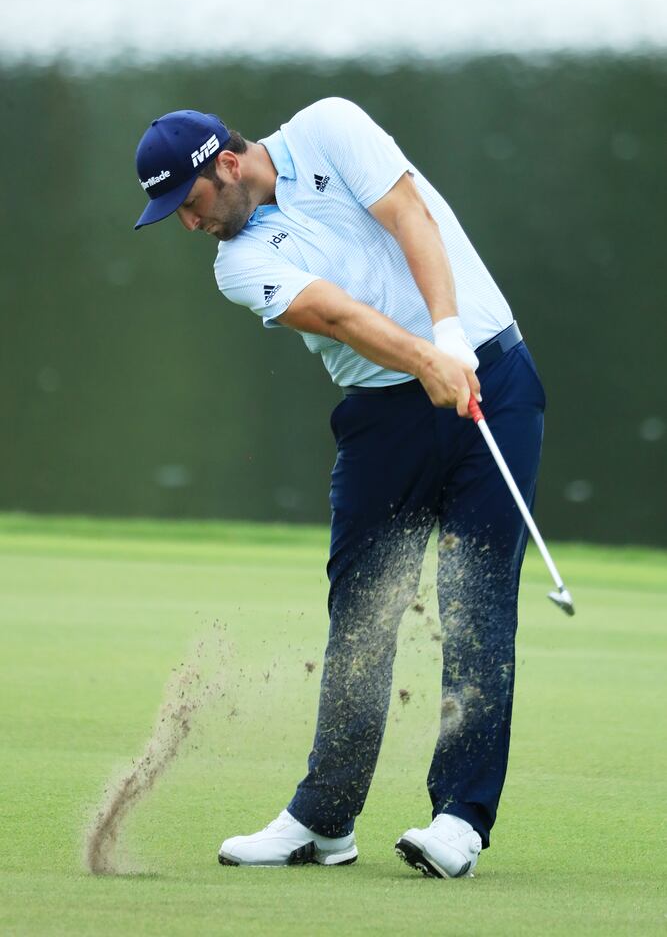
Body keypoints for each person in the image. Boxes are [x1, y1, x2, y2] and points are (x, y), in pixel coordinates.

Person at [133, 98, 545, 878]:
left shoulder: (330, 126)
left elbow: (409, 214)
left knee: (477, 604)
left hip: (491, 379)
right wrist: (426, 360)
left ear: (227, 164)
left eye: (189, 203)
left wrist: (449, 333)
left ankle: (459, 820)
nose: (189, 225)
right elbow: (336, 314)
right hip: (382, 417)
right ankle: (323, 820)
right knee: (361, 616)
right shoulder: (235, 264)